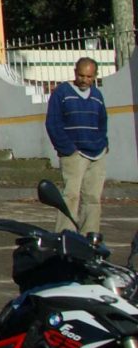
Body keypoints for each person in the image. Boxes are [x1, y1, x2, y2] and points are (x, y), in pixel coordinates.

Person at [46, 55, 110, 236]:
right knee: (71, 196)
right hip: (74, 154)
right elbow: (53, 123)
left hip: (97, 153)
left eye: (89, 77)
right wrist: (67, 148)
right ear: (75, 73)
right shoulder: (62, 92)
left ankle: (89, 235)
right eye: (81, 75)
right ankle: (65, 234)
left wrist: (104, 144)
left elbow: (102, 121)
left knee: (92, 198)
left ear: (94, 76)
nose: (85, 80)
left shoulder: (97, 95)